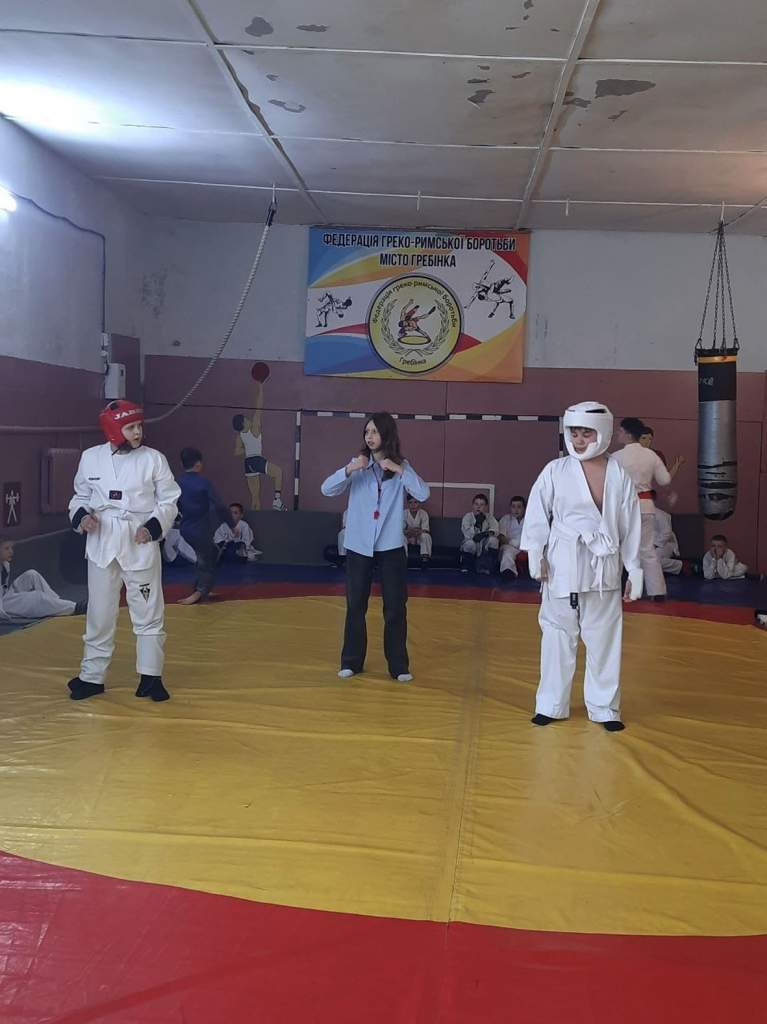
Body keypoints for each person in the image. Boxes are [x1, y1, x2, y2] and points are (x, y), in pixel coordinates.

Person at [521, 401, 642, 732]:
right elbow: (537, 512)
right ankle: (551, 704)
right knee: (557, 635)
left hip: (603, 566)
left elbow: (631, 524)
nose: (578, 440)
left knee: (604, 639)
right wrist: (536, 553)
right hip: (562, 564)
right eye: (574, 433)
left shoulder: (619, 474)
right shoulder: (555, 470)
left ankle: (604, 708)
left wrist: (634, 568)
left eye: (586, 434)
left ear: (602, 434)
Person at [66, 400, 180, 702]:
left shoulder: (154, 459)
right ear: (113, 430)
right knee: (99, 613)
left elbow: (169, 500)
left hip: (139, 541)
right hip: (102, 542)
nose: (138, 432)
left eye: (139, 426)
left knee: (148, 611)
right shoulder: (91, 458)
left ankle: (151, 677)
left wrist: (153, 527)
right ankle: (92, 677)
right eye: (130, 427)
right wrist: (82, 517)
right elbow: (80, 497)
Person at [321, 412, 429, 683]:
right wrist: (349, 469)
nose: (369, 437)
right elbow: (327, 489)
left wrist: (399, 470)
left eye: (375, 432)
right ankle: (351, 661)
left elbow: (423, 493)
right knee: (355, 605)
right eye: (366, 432)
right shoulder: (358, 464)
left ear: (386, 434)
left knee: (395, 607)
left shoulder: (401, 466)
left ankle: (398, 665)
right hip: (359, 545)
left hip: (390, 546)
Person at [611, 417, 684, 601]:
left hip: (624, 508)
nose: (618, 434)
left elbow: (609, 486)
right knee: (647, 550)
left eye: (620, 431)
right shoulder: (651, 456)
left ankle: (617, 590)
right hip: (645, 507)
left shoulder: (616, 457)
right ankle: (656, 591)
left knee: (619, 550)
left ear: (628, 434)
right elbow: (665, 480)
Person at [177, 447, 235, 605]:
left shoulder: (178, 482)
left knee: (209, 554)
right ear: (198, 464)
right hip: (200, 529)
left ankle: (203, 588)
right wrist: (231, 524)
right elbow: (220, 506)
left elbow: (174, 504)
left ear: (182, 464)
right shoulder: (203, 482)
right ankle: (200, 591)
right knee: (206, 559)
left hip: (186, 528)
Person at [232, 373, 286, 511]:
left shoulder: (239, 436)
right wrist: (261, 388)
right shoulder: (254, 427)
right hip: (256, 459)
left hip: (248, 464)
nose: (248, 419)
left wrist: (247, 448)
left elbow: (236, 452)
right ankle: (277, 501)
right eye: (246, 419)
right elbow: (259, 407)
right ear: (244, 423)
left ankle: (256, 516)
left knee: (255, 498)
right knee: (278, 472)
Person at [0, 538, 84, 623]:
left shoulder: (5, 564)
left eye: (11, 548)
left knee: (32, 574)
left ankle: (55, 602)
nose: (11, 551)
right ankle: (75, 607)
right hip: (2, 606)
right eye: (6, 548)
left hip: (4, 597)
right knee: (36, 597)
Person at [460, 494, 499, 574]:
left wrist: (484, 534)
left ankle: (488, 566)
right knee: (470, 544)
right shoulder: (468, 517)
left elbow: (495, 531)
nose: (478, 507)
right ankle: (467, 566)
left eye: (481, 505)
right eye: (476, 504)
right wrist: (477, 524)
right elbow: (467, 534)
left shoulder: (490, 517)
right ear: (472, 505)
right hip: (472, 545)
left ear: (486, 507)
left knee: (493, 540)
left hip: (484, 547)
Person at [652, 495, 682, 576]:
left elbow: (666, 533)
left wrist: (655, 545)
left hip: (665, 544)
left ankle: (680, 566)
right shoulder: (637, 516)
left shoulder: (660, 514)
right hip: (646, 547)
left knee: (654, 559)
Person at [498, 496, 526, 577]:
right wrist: (513, 543)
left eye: (519, 507)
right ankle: (509, 572)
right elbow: (501, 537)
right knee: (507, 551)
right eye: (513, 507)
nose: (516, 510)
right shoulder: (505, 519)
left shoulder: (528, 520)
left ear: (524, 508)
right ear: (510, 508)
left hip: (525, 547)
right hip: (509, 546)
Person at [404, 495, 432, 564]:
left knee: (426, 536)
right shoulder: (404, 513)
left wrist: (414, 532)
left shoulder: (423, 513)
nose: (413, 505)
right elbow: (401, 530)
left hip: (419, 538)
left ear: (419, 503)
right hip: (408, 537)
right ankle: (403, 559)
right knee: (400, 537)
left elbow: (426, 530)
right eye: (410, 502)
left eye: (415, 502)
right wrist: (411, 532)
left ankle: (425, 559)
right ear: (407, 504)